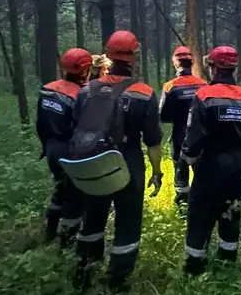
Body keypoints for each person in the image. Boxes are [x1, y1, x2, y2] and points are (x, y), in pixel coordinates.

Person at [71, 31, 164, 293]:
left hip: (91, 162)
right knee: (128, 222)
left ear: (108, 55)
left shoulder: (86, 90)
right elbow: (153, 141)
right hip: (129, 163)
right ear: (134, 57)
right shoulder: (144, 93)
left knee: (92, 218)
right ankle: (118, 281)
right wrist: (157, 173)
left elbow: (75, 127)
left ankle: (84, 275)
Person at [180, 46, 241, 275]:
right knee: (231, 217)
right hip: (239, 171)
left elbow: (194, 135)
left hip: (210, 170)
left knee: (199, 218)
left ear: (214, 67)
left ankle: (194, 269)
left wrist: (188, 159)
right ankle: (226, 266)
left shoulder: (204, 95)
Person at [36, 48, 93, 246]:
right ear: (85, 70)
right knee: (75, 197)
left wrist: (45, 146)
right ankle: (66, 242)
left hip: (50, 147)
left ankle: (50, 229)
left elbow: (39, 123)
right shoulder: (79, 95)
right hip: (69, 151)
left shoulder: (47, 89)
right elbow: (83, 128)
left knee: (61, 187)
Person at [159, 46, 207, 206]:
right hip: (202, 139)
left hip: (180, 137)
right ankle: (202, 206)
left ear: (175, 63)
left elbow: (163, 116)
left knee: (181, 176)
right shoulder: (203, 85)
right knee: (202, 174)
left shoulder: (170, 86)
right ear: (191, 63)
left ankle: (182, 208)